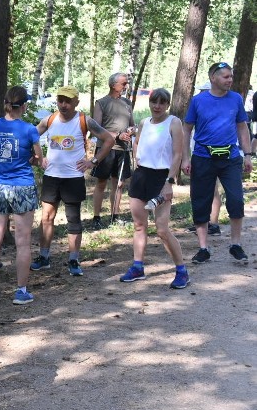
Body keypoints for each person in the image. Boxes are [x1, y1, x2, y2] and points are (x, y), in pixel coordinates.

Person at [32, 86, 114, 276]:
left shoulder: (85, 120)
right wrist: (38, 157)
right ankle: (43, 257)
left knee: (73, 219)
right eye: (60, 100)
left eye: (67, 101)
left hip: (73, 178)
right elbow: (31, 136)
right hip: (52, 176)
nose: (63, 105)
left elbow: (108, 139)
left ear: (76, 102)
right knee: (46, 218)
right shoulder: (50, 119)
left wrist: (93, 161)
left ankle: (74, 260)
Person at [182, 61, 253, 263]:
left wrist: (247, 154)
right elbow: (187, 129)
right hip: (203, 158)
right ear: (213, 78)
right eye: (226, 76)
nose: (230, 80)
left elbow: (241, 127)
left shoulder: (236, 99)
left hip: (230, 158)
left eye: (230, 76)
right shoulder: (198, 101)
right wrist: (186, 157)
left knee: (237, 200)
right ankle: (203, 248)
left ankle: (236, 245)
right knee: (201, 201)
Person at [119, 88, 189, 288]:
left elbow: (177, 155)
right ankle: (137, 267)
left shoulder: (174, 123)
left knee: (162, 229)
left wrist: (170, 182)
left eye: (162, 103)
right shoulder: (143, 123)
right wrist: (135, 165)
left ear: (167, 105)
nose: (157, 106)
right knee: (139, 226)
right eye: (154, 102)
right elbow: (138, 144)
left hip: (162, 177)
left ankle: (182, 271)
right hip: (141, 176)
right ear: (149, 103)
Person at [0, 86, 44, 305]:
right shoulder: (29, 130)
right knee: (23, 242)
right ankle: (21, 291)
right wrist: (34, 160)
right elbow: (38, 158)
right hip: (23, 187)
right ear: (24, 105)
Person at [91, 73, 137, 228]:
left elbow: (133, 125)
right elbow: (96, 128)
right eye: (123, 84)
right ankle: (96, 217)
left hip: (123, 150)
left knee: (119, 184)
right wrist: (117, 135)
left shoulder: (127, 103)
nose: (126, 87)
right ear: (113, 85)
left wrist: (131, 131)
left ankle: (115, 216)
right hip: (105, 149)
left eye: (126, 84)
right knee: (101, 183)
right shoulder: (101, 103)